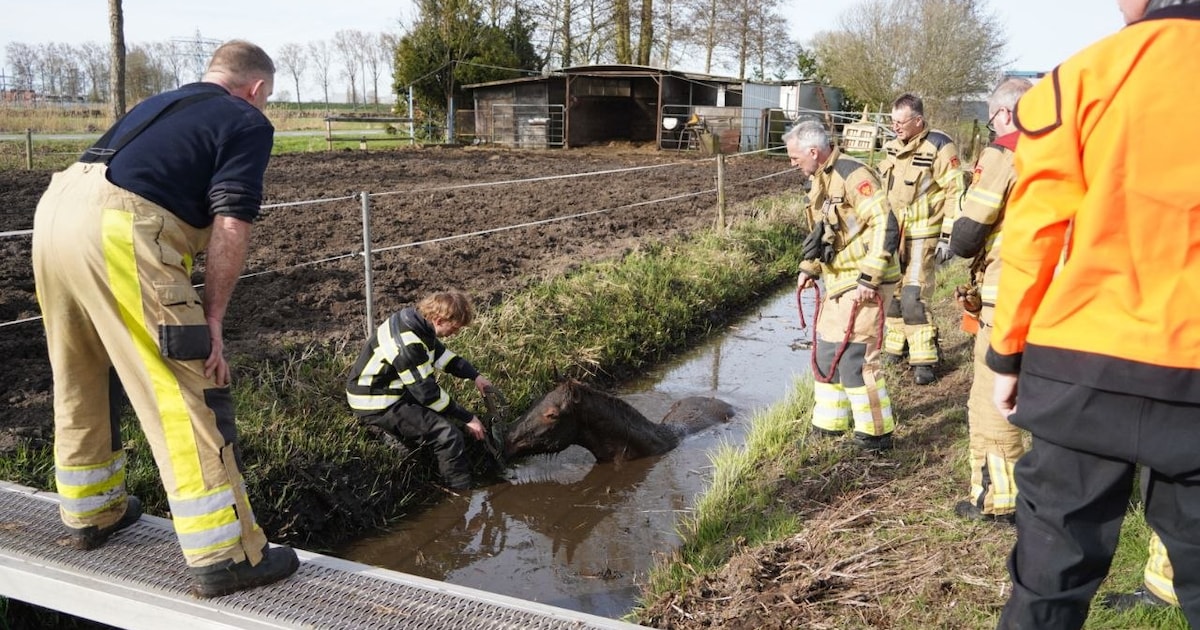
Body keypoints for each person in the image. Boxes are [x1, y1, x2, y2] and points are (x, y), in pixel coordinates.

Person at [31, 40, 299, 598]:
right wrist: (215, 320)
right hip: (120, 232)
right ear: (255, 89)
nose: (264, 107)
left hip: (54, 216)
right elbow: (231, 223)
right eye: (267, 98)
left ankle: (92, 511)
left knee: (81, 372)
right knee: (182, 389)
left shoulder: (159, 105)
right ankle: (226, 554)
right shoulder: (245, 119)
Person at [989, 1, 1200, 627]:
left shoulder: (1081, 76)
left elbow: (1034, 231)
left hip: (1082, 362)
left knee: (1046, 586)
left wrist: (1008, 355)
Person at [785, 120, 901, 451]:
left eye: (795, 158)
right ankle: (829, 426)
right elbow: (825, 234)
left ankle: (875, 436)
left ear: (813, 151)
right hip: (837, 280)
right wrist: (809, 267)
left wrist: (870, 277)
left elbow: (885, 223)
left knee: (856, 358)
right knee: (825, 353)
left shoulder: (853, 174)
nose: (793, 164)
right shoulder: (820, 180)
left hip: (865, 282)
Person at [947, 77, 1033, 524]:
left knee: (989, 397)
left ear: (1002, 114)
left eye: (991, 117)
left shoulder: (1004, 151)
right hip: (1057, 295)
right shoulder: (1063, 148)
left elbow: (968, 233)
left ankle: (1000, 498)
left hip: (1005, 296)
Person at [346, 290, 493, 489]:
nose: (455, 334)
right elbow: (428, 395)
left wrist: (475, 376)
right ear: (439, 320)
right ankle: (461, 494)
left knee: (444, 418)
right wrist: (468, 418)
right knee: (448, 436)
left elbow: (443, 357)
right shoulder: (408, 345)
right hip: (376, 402)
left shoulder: (415, 321)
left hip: (392, 388)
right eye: (454, 328)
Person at [877, 94, 965, 385]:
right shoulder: (890, 146)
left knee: (914, 296)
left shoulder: (939, 145)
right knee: (891, 294)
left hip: (923, 235)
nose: (895, 127)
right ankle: (895, 346)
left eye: (900, 122)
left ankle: (924, 359)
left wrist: (948, 235)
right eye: (892, 121)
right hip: (892, 235)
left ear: (918, 120)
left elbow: (955, 191)